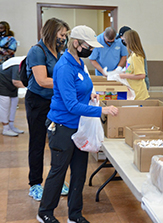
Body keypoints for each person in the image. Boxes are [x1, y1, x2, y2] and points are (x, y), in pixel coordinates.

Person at [37, 25, 119, 223]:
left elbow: (79, 89)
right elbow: (71, 105)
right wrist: (103, 110)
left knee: (80, 172)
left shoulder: (79, 62)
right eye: (88, 45)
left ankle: (74, 214)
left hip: (80, 127)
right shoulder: (64, 67)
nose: (91, 49)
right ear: (76, 43)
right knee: (58, 171)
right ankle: (45, 212)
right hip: (63, 127)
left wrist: (89, 94)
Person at [25, 17, 70, 201]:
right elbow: (42, 81)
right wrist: (67, 83)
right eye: (61, 34)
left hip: (54, 102)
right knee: (37, 143)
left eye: (65, 35)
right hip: (37, 102)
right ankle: (35, 184)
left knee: (56, 142)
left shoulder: (59, 52)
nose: (64, 38)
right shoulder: (37, 51)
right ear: (52, 33)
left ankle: (56, 181)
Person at [117, 26, 150, 90]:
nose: (122, 41)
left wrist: (123, 76)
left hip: (138, 89)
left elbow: (141, 75)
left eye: (123, 40)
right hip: (133, 88)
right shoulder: (132, 55)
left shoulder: (136, 56)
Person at [0, 56, 25, 136]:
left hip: (10, 83)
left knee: (14, 102)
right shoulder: (18, 64)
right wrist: (29, 88)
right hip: (2, 81)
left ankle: (11, 125)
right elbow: (16, 82)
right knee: (5, 104)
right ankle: (5, 128)